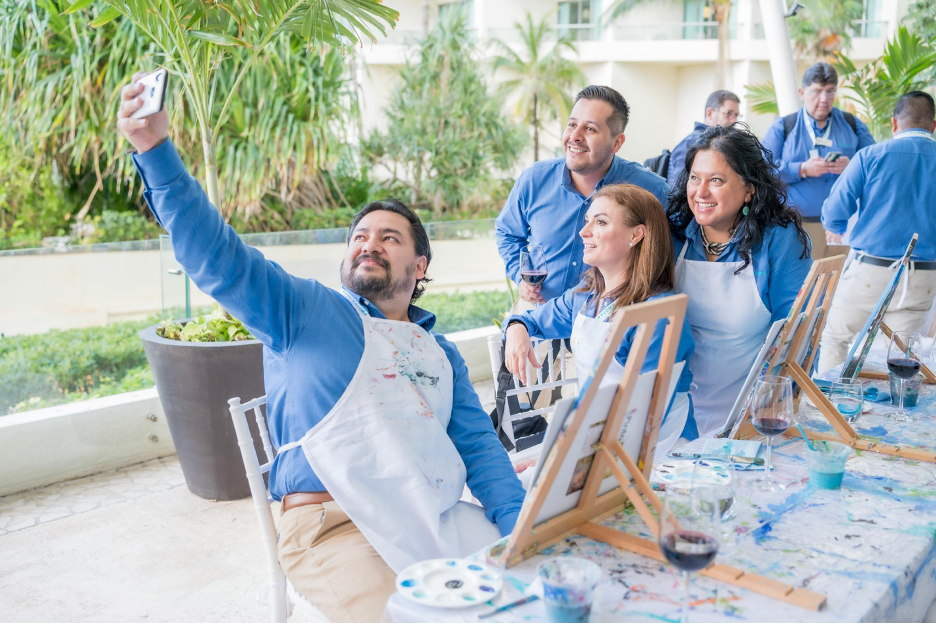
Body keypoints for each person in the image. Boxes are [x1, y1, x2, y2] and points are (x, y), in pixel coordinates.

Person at [116, 73, 524, 623]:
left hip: (438, 513)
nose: (369, 244)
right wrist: (155, 151)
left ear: (420, 267)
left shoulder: (439, 353)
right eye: (359, 236)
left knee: (535, 586)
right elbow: (217, 258)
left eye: (389, 237)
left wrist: (520, 521)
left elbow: (477, 447)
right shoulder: (308, 313)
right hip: (334, 529)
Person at [503, 184, 696, 458]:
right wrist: (516, 328)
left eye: (600, 222)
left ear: (636, 234)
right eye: (586, 221)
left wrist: (567, 454)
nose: (584, 232)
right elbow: (528, 319)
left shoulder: (658, 315)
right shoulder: (586, 297)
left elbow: (647, 416)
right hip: (596, 440)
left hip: (657, 452)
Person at [667, 124, 812, 437]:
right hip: (674, 413)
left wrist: (771, 405)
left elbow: (795, 333)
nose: (700, 192)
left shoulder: (778, 241)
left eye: (716, 180)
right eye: (695, 177)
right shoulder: (673, 233)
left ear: (749, 188)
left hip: (749, 414)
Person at [496, 85, 670, 307]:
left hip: (610, 321)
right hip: (541, 313)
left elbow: (665, 258)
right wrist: (520, 275)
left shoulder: (651, 190)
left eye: (590, 129)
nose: (574, 137)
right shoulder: (534, 179)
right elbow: (507, 233)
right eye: (572, 125)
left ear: (616, 142)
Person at [818, 92, 936, 372]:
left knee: (837, 340)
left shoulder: (870, 155)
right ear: (933, 126)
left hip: (870, 273)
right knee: (900, 356)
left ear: (894, 124)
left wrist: (834, 228)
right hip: (925, 277)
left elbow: (835, 210)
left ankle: (826, 412)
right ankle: (894, 414)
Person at [761, 62, 875, 259]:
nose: (824, 99)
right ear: (802, 92)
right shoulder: (784, 126)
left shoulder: (852, 125)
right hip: (793, 225)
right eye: (816, 92)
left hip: (842, 228)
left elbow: (875, 166)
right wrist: (802, 169)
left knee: (837, 286)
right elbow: (761, 170)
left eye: (830, 92)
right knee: (800, 286)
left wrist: (853, 166)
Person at [667, 90, 741, 187]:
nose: (734, 120)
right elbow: (678, 190)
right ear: (709, 113)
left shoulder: (719, 143)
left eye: (736, 115)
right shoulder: (692, 143)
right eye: (729, 113)